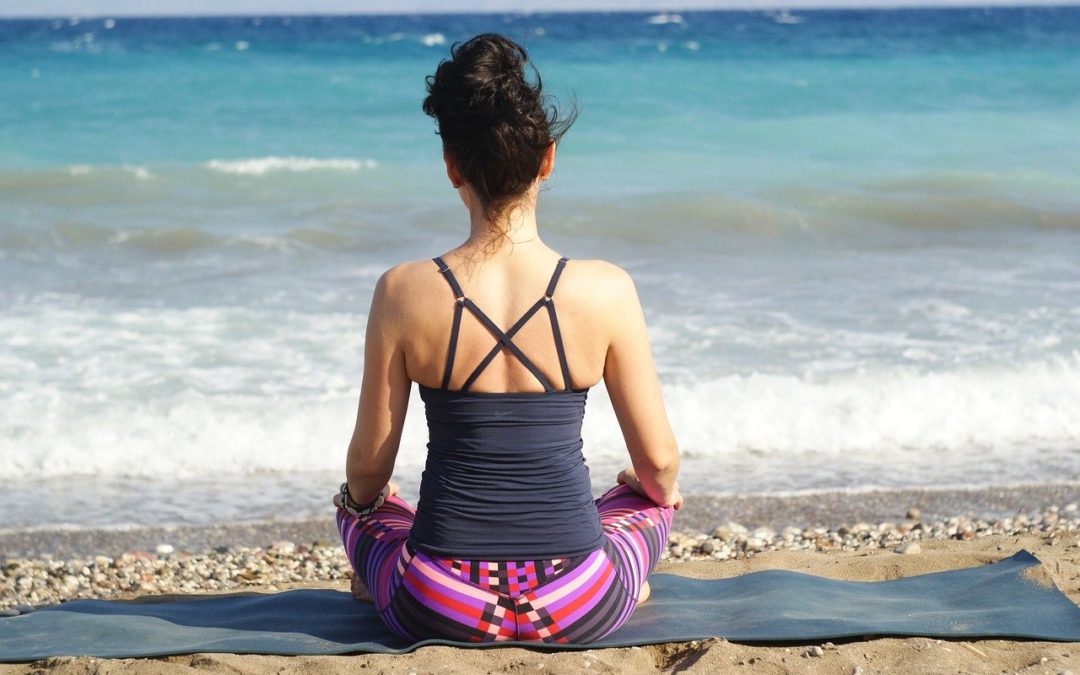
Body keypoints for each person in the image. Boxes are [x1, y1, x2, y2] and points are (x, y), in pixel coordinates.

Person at [334, 33, 682, 644]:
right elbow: (659, 465)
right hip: (576, 598)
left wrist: (366, 504)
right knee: (648, 505)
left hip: (440, 600)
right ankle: (628, 578)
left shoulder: (402, 290)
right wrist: (647, 492)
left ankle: (379, 577)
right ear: (547, 159)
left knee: (360, 512)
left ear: (452, 169)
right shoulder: (606, 290)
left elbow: (367, 472)